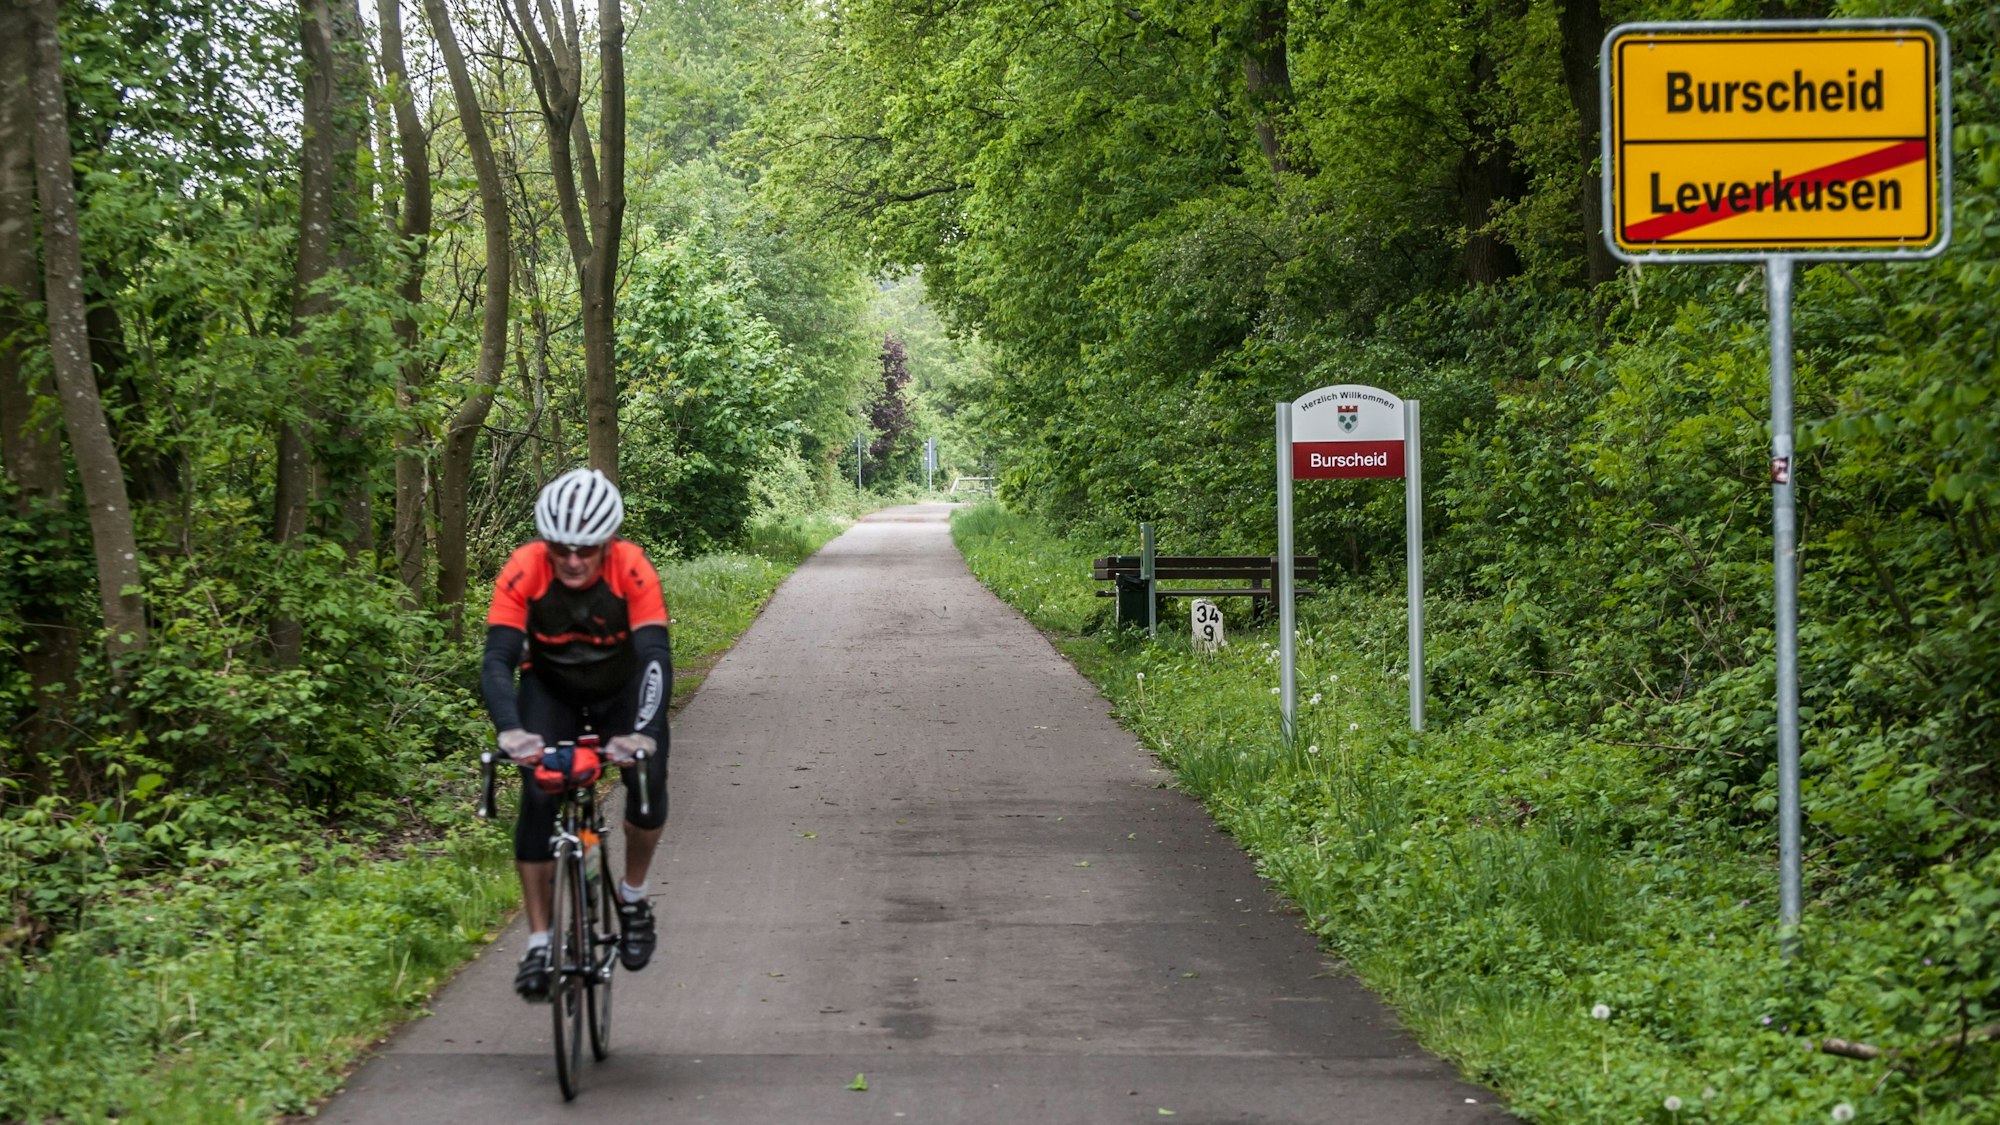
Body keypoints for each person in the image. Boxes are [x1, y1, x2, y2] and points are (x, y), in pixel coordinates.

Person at [481, 468, 671, 1001]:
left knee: (648, 780)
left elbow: (655, 659)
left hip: (622, 688)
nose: (572, 559)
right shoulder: (524, 569)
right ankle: (540, 941)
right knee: (538, 800)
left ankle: (632, 899)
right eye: (561, 546)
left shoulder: (633, 569)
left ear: (606, 543)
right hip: (552, 690)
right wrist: (512, 731)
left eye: (586, 549)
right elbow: (497, 660)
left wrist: (642, 735)